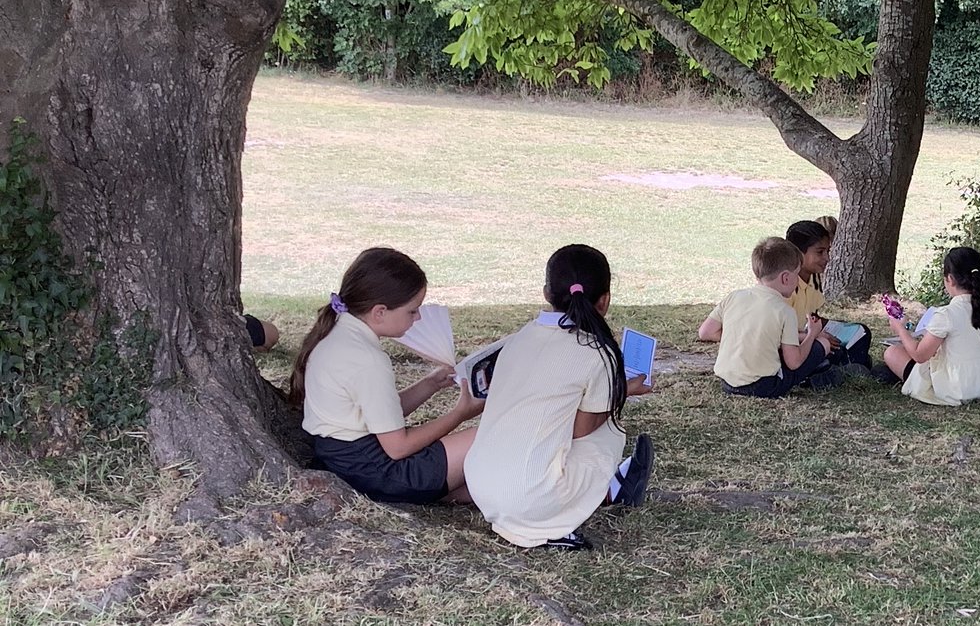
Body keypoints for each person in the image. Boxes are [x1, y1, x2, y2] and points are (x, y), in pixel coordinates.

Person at [465, 244, 655, 551]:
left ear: (546, 293)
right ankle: (563, 518)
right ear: (604, 301)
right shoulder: (597, 351)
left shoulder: (520, 337)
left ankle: (552, 511)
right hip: (530, 499)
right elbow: (582, 429)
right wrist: (621, 391)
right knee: (607, 428)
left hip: (480, 486)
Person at [290, 247, 483, 504]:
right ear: (379, 311)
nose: (419, 317)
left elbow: (379, 414)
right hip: (379, 474)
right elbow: (398, 448)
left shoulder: (337, 333)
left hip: (340, 461)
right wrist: (460, 414)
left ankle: (460, 491)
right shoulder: (367, 359)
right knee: (484, 436)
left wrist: (430, 385)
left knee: (473, 465)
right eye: (412, 311)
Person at [698, 236, 841, 397]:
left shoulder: (734, 296)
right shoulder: (784, 311)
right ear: (786, 278)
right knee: (822, 344)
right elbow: (794, 363)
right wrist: (812, 334)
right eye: (797, 275)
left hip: (727, 383)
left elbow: (705, 332)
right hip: (764, 386)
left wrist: (747, 336)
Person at [883, 246, 980, 406]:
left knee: (892, 352)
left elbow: (919, 356)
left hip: (957, 388)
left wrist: (900, 329)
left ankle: (910, 380)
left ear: (949, 279)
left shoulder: (946, 314)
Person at [784, 220, 873, 374]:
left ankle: (846, 364)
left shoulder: (814, 278)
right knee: (824, 346)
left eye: (828, 251)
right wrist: (814, 335)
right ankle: (834, 369)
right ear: (798, 253)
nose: (827, 258)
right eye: (820, 252)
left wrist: (839, 329)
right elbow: (778, 333)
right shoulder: (785, 285)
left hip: (808, 334)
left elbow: (812, 317)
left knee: (860, 331)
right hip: (792, 344)